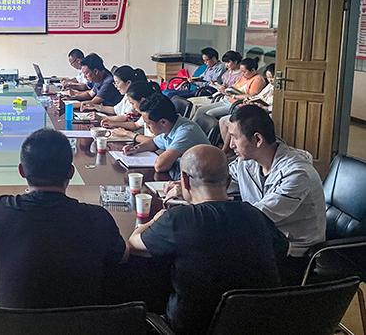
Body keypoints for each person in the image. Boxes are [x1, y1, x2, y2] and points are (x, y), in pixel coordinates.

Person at [129, 145, 287, 335]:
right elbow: (281, 248)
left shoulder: (179, 219)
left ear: (184, 180)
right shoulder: (255, 214)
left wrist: (156, 218)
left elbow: (133, 244)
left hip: (193, 328)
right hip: (259, 325)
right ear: (228, 181)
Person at [0, 129, 129, 308]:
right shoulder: (97, 218)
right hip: (81, 323)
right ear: (71, 172)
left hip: (12, 323)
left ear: (22, 171)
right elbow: (123, 256)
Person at [227, 105, 326, 284]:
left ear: (257, 139)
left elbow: (258, 217)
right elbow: (218, 178)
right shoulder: (247, 162)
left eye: (235, 137)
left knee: (218, 266)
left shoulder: (297, 174)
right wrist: (186, 185)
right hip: (265, 241)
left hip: (295, 256)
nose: (231, 144)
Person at [123, 93, 210, 179]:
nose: (147, 127)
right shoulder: (171, 126)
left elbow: (160, 166)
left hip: (196, 181)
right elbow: (153, 143)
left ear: (163, 122)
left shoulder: (186, 132)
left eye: (149, 124)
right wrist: (135, 149)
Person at [219, 63, 275, 155]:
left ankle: (226, 150)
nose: (270, 80)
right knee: (224, 120)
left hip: (265, 113)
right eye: (268, 77)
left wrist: (263, 106)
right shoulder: (269, 86)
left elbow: (273, 107)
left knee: (234, 123)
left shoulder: (279, 89)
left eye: (272, 77)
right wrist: (250, 100)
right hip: (256, 108)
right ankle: (231, 149)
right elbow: (258, 96)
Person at [194, 57, 266, 120]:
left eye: (244, 72)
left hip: (238, 105)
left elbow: (251, 96)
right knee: (201, 110)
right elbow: (233, 87)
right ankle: (191, 127)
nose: (242, 74)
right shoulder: (244, 77)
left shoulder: (258, 79)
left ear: (253, 70)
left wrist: (234, 96)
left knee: (210, 114)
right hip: (228, 100)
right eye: (241, 71)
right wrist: (225, 89)